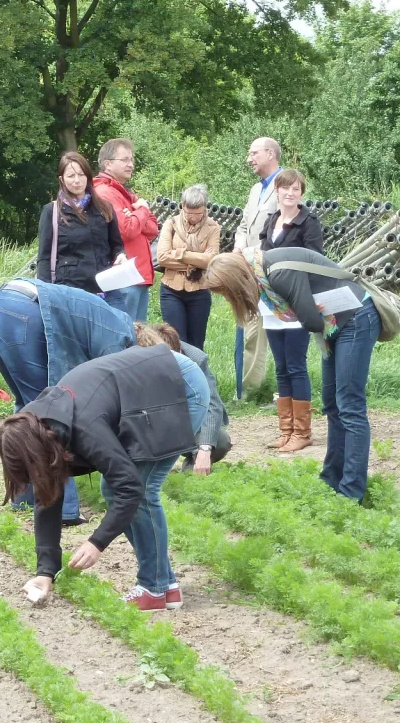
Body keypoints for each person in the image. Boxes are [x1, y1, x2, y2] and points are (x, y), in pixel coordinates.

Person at [0, 344, 208, 610]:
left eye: (34, 469)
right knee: (117, 487)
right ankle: (165, 585)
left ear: (39, 450)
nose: (35, 476)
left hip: (178, 384)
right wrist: (45, 572)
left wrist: (97, 542)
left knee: (141, 489)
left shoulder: (83, 427)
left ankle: (155, 589)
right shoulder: (36, 431)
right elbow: (47, 498)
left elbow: (130, 488)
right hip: (145, 385)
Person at [204, 249, 380, 501]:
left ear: (237, 282)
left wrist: (306, 312)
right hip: (334, 324)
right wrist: (306, 311)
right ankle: (331, 481)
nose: (228, 298)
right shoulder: (264, 272)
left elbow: (312, 322)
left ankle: (351, 492)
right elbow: (309, 315)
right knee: (332, 405)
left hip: (356, 317)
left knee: (350, 407)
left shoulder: (278, 272)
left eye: (226, 292)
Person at [0, 278, 138, 525]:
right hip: (23, 312)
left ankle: (23, 496)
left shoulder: (110, 318)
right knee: (49, 415)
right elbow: (109, 393)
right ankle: (63, 508)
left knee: (27, 408)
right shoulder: (122, 337)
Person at [259, 169, 324, 452]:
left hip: (297, 302)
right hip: (272, 303)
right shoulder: (271, 219)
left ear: (301, 193)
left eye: (295, 189)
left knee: (296, 365)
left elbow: (315, 263)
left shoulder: (309, 222)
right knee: (281, 366)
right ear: (277, 191)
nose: (289, 193)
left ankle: (303, 432)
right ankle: (285, 430)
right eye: (284, 188)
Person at [141, 322, 232, 474]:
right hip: (154, 421)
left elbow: (213, 405)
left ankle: (192, 467)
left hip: (187, 420)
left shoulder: (196, 360)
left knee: (221, 441)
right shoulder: (143, 358)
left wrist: (204, 448)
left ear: (179, 352)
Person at [232, 137, 283, 398]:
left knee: (279, 330)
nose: (249, 158)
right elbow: (244, 225)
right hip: (249, 269)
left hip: (273, 271)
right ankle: (249, 390)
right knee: (250, 327)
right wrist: (239, 245)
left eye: (253, 153)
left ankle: (278, 390)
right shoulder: (255, 189)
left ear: (270, 154)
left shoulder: (286, 186)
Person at [36, 152, 125, 294]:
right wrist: (45, 293)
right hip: (69, 290)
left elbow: (116, 245)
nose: (77, 180)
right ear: (62, 179)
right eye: (71, 176)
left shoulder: (104, 208)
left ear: (88, 176)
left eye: (81, 174)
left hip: (107, 288)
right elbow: (44, 258)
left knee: (123, 317)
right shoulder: (51, 211)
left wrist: (120, 254)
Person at [93, 139, 158, 321]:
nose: (131, 165)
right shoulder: (105, 192)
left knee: (139, 337)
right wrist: (143, 209)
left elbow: (153, 228)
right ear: (108, 164)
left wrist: (136, 214)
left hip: (137, 276)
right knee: (125, 338)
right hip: (124, 276)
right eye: (125, 160)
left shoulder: (123, 192)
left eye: (132, 160)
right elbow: (127, 230)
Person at [157, 184, 220, 350]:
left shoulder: (213, 227)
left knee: (196, 343)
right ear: (183, 207)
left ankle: (197, 375)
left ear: (205, 208)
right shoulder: (171, 224)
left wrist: (181, 254)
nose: (193, 218)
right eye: (189, 213)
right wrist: (198, 260)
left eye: (198, 214)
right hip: (171, 291)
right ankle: (177, 375)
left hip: (199, 290)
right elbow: (163, 257)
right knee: (175, 341)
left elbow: (211, 260)